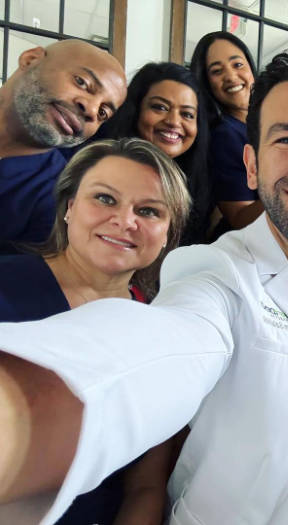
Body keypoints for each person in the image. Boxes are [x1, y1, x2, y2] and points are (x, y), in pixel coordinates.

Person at [0, 47, 288, 525]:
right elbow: (161, 351)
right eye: (287, 139)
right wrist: (21, 416)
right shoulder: (213, 274)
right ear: (252, 166)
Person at [0, 137, 190, 524]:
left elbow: (145, 486)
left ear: (169, 234)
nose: (125, 220)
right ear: (69, 208)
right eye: (105, 199)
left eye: (149, 210)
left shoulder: (160, 334)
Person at [0, 39, 127, 247]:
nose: (91, 110)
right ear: (30, 59)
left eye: (103, 112)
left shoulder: (61, 199)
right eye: (82, 82)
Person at [99, 62, 211, 245]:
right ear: (136, 111)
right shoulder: (98, 168)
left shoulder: (197, 184)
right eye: (160, 107)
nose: (174, 121)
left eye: (187, 114)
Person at [190, 31, 264, 231]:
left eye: (238, 64)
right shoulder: (225, 135)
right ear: (207, 83)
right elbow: (240, 218)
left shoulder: (266, 126)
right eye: (216, 71)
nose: (231, 76)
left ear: (251, 69)